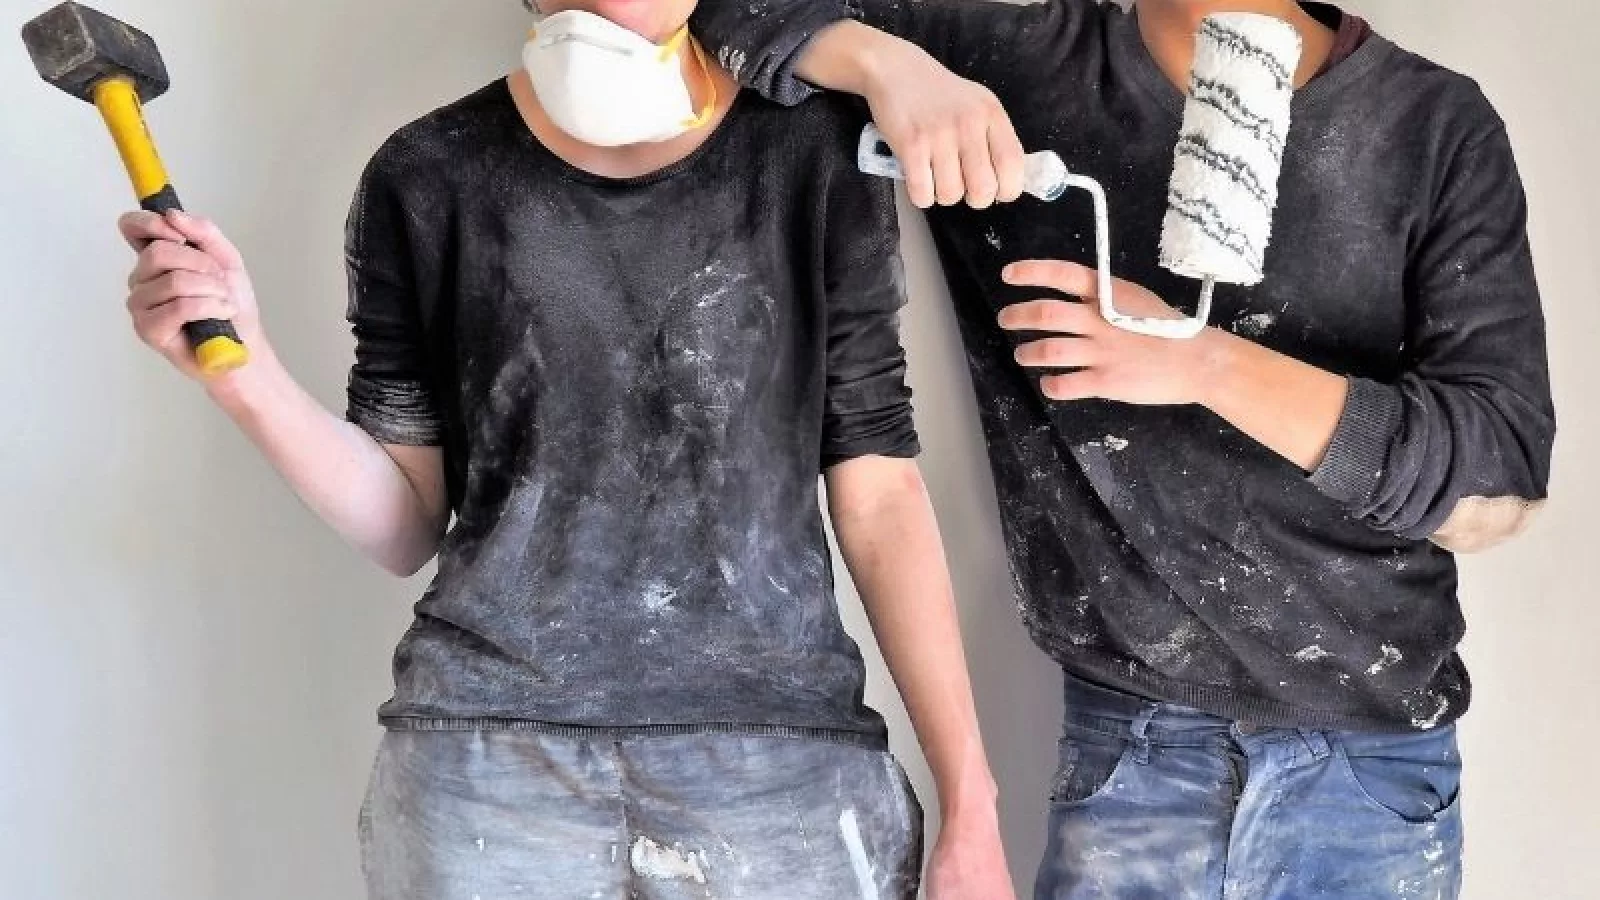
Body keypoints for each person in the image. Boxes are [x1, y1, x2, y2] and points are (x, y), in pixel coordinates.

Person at [116, 0, 1016, 896]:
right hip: (488, 762)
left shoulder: (812, 153)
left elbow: (880, 492)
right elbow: (403, 523)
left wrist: (971, 802)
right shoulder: (425, 173)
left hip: (782, 765)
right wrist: (246, 374)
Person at [689, 1, 1557, 897]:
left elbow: (1496, 481)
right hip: (1134, 759)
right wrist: (885, 66)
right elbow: (697, 11)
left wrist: (1205, 363)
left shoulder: (1433, 124)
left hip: (1371, 770)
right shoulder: (1016, 69)